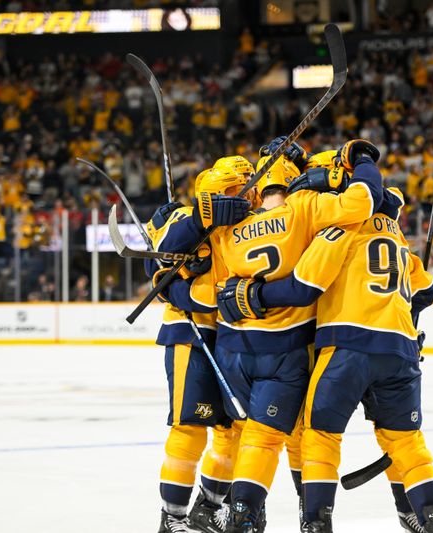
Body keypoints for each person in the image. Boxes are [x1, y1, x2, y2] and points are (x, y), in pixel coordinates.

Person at [168, 139, 383, 532]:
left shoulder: (227, 225)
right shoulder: (305, 210)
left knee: (245, 434)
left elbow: (206, 291)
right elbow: (362, 206)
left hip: (232, 350)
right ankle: (269, 515)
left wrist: (173, 287)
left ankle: (239, 510)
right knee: (289, 436)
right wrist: (362, 160)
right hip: (290, 348)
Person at [220, 185, 433, 532]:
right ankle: (432, 520)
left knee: (320, 435)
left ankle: (316, 522)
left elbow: (303, 286)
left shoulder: (340, 229)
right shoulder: (398, 240)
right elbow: (427, 290)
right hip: (401, 351)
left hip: (347, 343)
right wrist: (410, 321)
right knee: (406, 441)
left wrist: (254, 294)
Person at [147, 157, 254, 533]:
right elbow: (157, 267)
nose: (247, 195)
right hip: (189, 336)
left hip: (231, 337)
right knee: (189, 426)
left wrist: (189, 293)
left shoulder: (248, 226)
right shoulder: (187, 220)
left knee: (234, 428)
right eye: (236, 188)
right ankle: (171, 517)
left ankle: (209, 507)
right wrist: (198, 220)